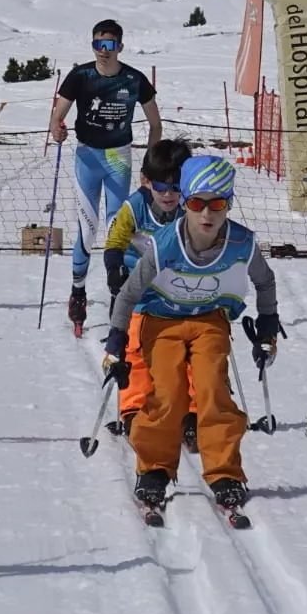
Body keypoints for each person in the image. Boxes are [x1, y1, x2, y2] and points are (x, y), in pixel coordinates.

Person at [103, 155, 279, 515]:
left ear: (228, 204)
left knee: (213, 389)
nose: (207, 215)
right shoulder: (166, 244)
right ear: (185, 202)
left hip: (208, 320)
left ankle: (225, 473)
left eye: (217, 204)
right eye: (198, 203)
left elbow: (265, 281)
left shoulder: (240, 243)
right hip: (161, 321)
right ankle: (154, 468)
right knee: (167, 394)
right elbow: (129, 293)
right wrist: (117, 339)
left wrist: (267, 325)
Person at [52, 19, 162, 334]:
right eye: (97, 44)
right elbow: (57, 115)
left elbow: (156, 124)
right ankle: (78, 293)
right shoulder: (81, 76)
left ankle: (119, 291)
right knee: (87, 230)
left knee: (119, 228)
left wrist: (151, 162)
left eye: (110, 44)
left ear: (120, 47)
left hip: (118, 156)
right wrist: (56, 130)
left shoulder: (134, 78)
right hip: (88, 155)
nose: (103, 50)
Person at [101, 138, 194, 434]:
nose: (169, 195)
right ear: (146, 181)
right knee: (134, 348)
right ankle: (133, 409)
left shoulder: (192, 208)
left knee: (189, 349)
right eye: (161, 187)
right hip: (138, 290)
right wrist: (114, 265)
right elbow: (116, 239)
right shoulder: (135, 206)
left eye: (176, 187)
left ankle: (192, 411)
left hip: (178, 289)